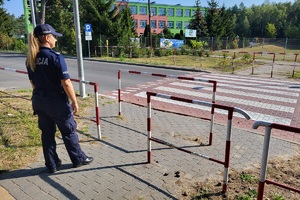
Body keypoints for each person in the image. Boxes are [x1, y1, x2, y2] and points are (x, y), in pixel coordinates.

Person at [26, 24, 93, 173]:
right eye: (54, 36)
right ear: (46, 38)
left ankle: (52, 164)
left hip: (39, 101)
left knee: (47, 133)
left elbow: (33, 83)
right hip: (56, 102)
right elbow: (66, 82)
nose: (55, 39)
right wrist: (74, 101)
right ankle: (78, 159)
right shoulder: (55, 57)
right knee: (68, 130)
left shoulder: (31, 58)